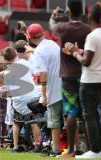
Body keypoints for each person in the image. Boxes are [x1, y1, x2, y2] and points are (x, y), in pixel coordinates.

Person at [49, 0, 91, 157]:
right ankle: (90, 149)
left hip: (67, 77)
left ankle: (72, 151)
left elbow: (52, 27)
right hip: (85, 75)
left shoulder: (63, 27)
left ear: (68, 10)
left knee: (71, 112)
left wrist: (53, 17)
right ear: (81, 10)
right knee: (88, 113)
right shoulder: (88, 29)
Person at [63, 3, 101, 158]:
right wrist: (80, 51)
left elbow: (86, 61)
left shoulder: (92, 36)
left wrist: (73, 53)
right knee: (96, 116)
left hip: (90, 81)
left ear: (91, 17)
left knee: (90, 115)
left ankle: (95, 150)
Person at [27, 23, 63, 157]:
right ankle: (72, 148)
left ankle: (56, 150)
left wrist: (43, 95)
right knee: (68, 119)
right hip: (64, 86)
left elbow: (43, 73)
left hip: (53, 89)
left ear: (30, 38)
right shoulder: (53, 44)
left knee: (54, 122)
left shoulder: (39, 51)